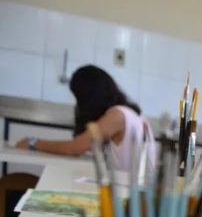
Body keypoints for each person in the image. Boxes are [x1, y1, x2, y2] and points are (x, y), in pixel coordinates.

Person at [15, 65, 154, 170]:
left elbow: (74, 148)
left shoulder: (117, 116)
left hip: (128, 199)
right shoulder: (132, 114)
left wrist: (33, 143)